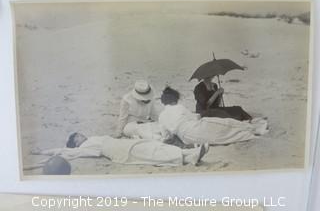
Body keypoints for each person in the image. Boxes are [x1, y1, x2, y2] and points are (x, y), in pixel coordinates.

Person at [159, 86, 269, 145]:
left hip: (187, 138)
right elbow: (195, 117)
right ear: (175, 99)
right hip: (195, 127)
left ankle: (251, 134)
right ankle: (256, 128)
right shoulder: (179, 107)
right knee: (226, 124)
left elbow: (166, 137)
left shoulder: (162, 116)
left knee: (221, 138)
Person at [31, 133, 208, 167]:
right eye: (76, 137)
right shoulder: (82, 148)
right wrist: (41, 152)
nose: (80, 136)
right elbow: (60, 151)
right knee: (150, 154)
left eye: (79, 134)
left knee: (152, 146)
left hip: (120, 144)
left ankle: (190, 154)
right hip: (115, 150)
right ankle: (189, 156)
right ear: (74, 143)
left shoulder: (93, 138)